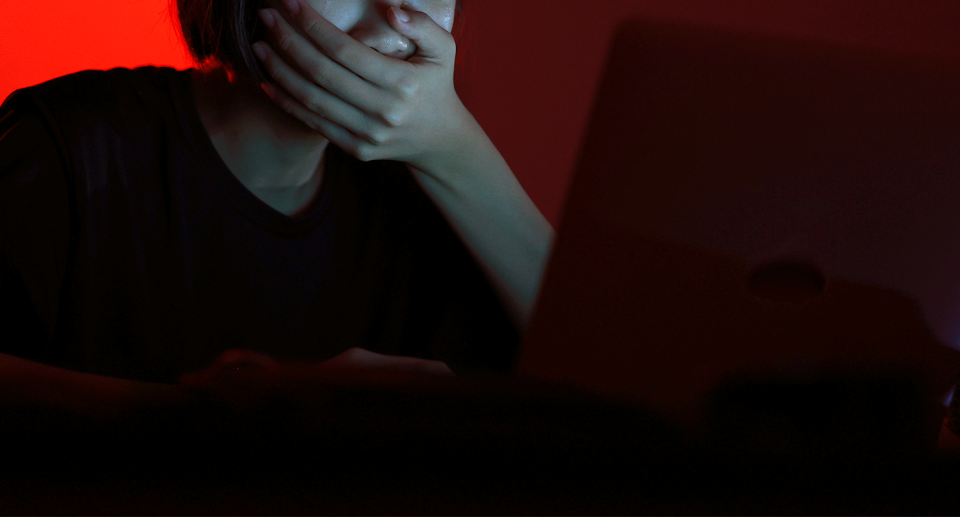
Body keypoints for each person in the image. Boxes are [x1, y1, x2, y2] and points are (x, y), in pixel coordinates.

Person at [0, 0, 555, 419]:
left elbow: (617, 378)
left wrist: (458, 151)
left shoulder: (428, 202)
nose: (397, 15)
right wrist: (229, 418)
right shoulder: (65, 149)